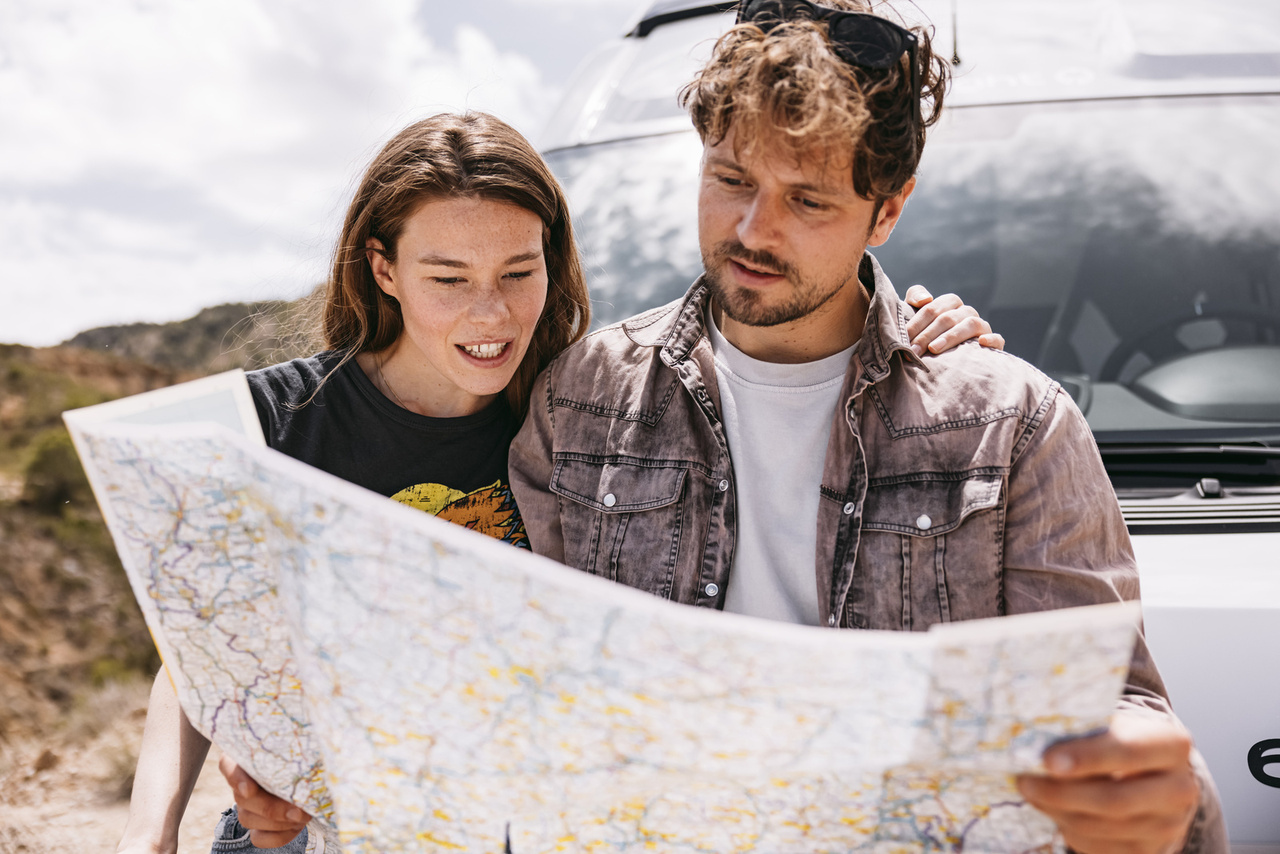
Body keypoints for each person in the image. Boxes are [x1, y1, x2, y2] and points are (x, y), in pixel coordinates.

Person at [114, 112, 997, 853]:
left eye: (518, 273)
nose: (489, 315)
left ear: (553, 260)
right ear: (383, 269)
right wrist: (148, 839)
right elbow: (192, 652)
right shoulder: (277, 421)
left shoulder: (586, 411)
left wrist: (914, 334)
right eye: (447, 279)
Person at [505, 1, 1228, 852]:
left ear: (886, 211)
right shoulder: (579, 398)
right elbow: (519, 685)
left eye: (806, 200)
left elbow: (1115, 709)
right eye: (732, 178)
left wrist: (1159, 790)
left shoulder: (1012, 425)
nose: (751, 231)